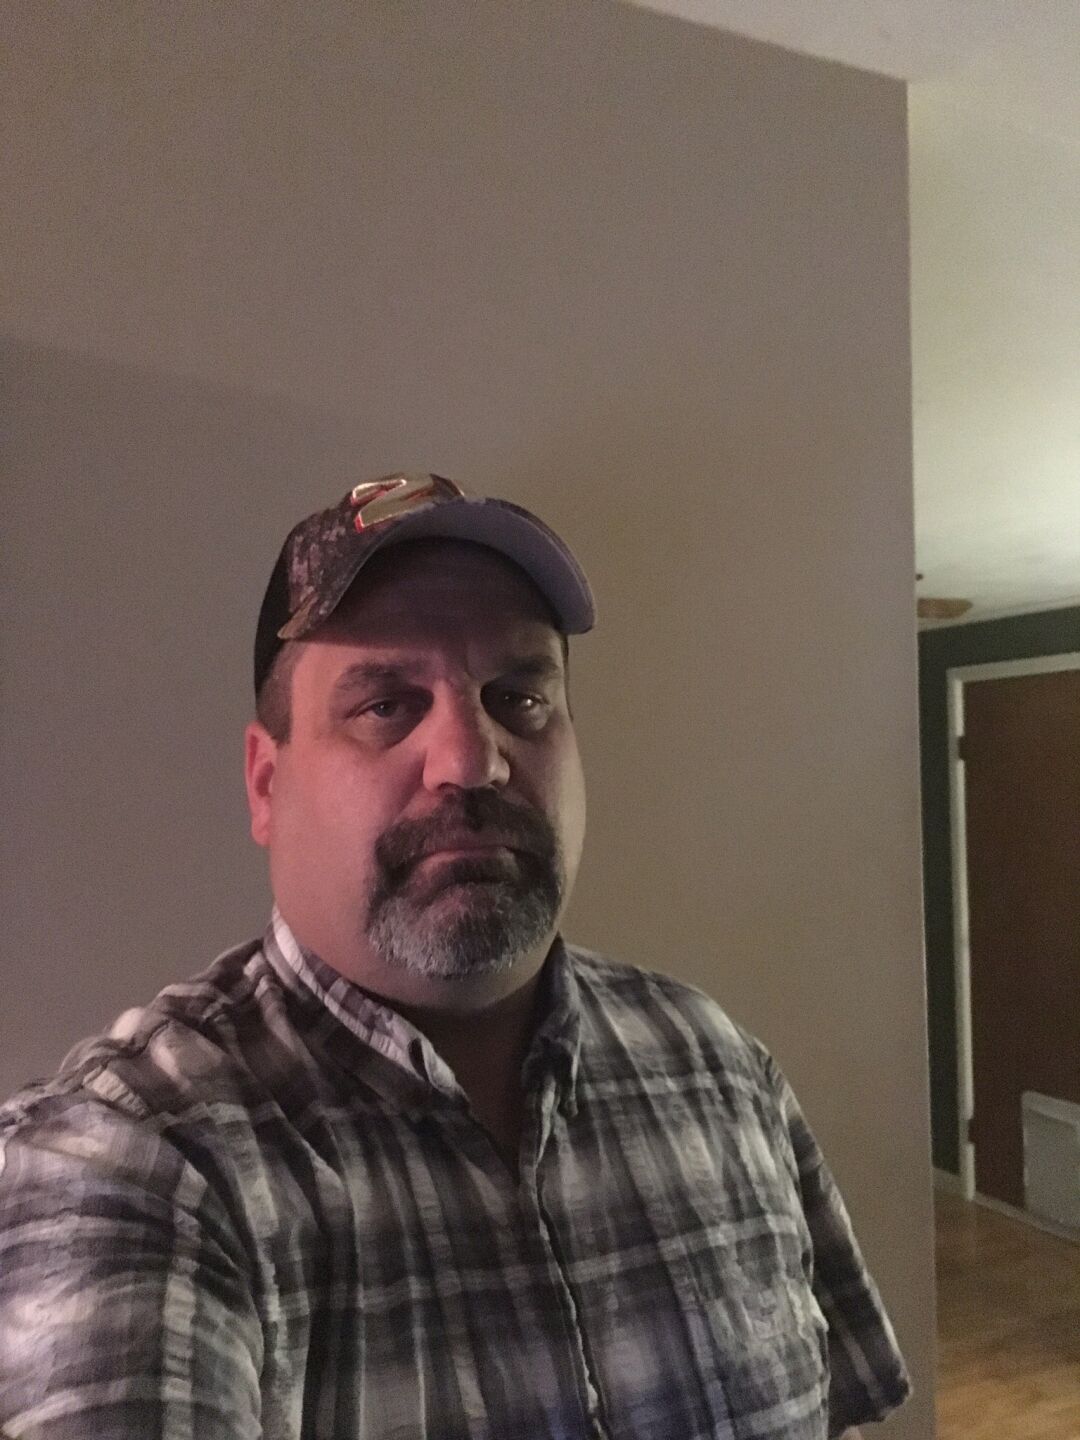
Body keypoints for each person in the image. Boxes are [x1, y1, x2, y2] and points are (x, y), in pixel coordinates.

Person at [0, 474, 910, 1438]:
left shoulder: (717, 1067)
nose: (473, 761)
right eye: (386, 705)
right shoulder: (132, 1163)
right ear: (267, 785)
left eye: (520, 698)